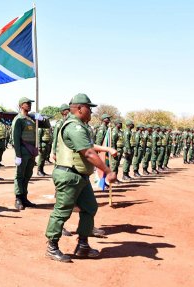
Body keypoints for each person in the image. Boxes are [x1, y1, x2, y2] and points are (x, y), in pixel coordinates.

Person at [45, 93, 117, 263]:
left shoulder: (81, 126)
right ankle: (52, 246)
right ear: (79, 108)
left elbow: (89, 146)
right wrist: (107, 171)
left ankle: (82, 245)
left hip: (80, 176)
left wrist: (106, 150)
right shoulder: (73, 126)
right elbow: (89, 153)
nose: (91, 112)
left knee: (90, 207)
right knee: (62, 211)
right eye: (89, 109)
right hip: (69, 175)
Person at [12, 97, 38, 210]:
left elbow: (46, 125)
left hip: (31, 151)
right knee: (19, 175)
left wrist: (39, 117)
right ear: (21, 105)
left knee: (27, 175)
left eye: (30, 103)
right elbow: (16, 138)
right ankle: (18, 198)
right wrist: (18, 155)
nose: (29, 105)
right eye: (27, 103)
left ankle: (24, 197)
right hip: (22, 150)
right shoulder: (18, 119)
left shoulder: (31, 119)